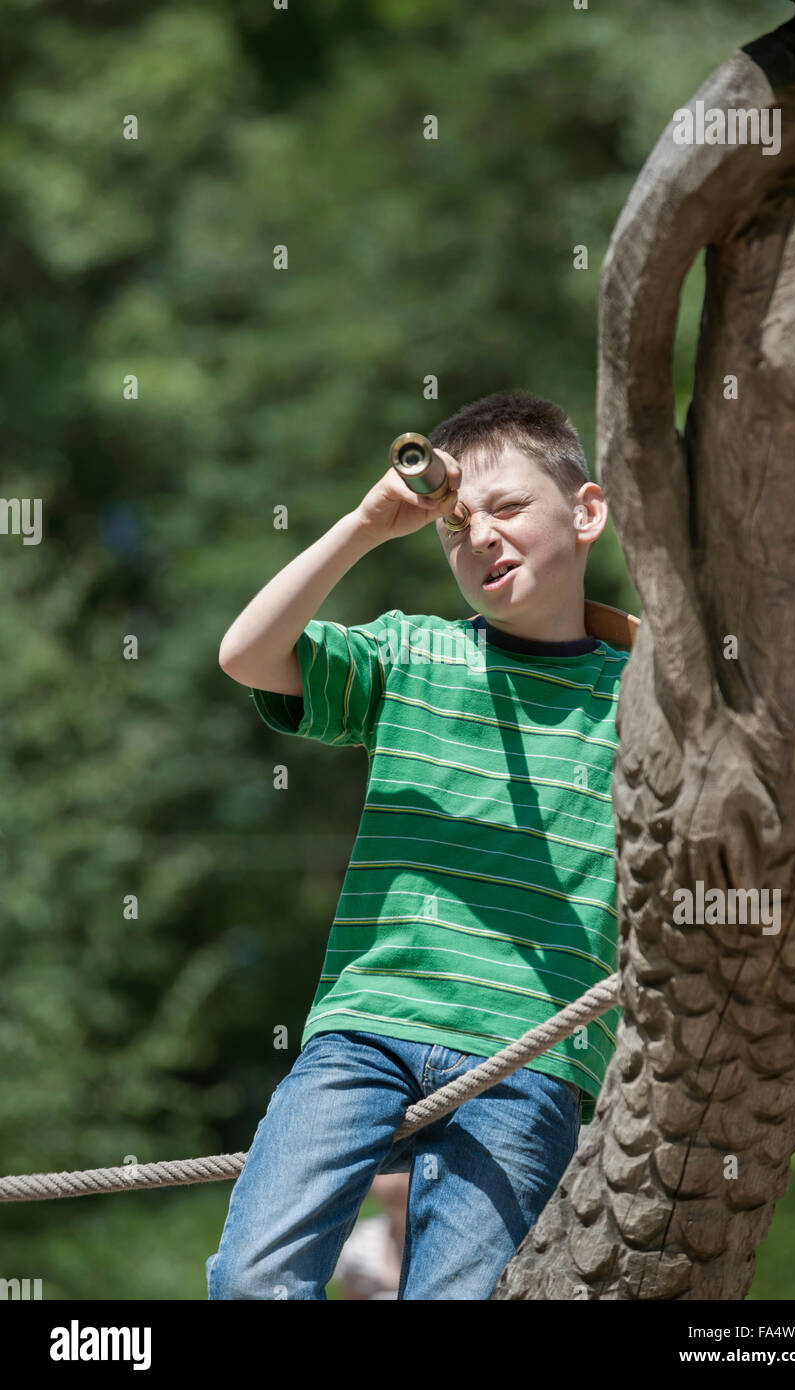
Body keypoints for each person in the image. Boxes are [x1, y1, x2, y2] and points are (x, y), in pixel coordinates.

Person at [206, 388, 630, 1300]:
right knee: (252, 1281)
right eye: (456, 526)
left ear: (587, 510)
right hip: (366, 1032)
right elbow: (246, 655)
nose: (481, 536)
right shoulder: (413, 655)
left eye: (511, 508)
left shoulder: (645, 699)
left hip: (530, 1061)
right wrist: (366, 526)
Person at [332, 1174, 409, 1299]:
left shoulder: (444, 1244)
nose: (392, 1185)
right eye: (385, 1173)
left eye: (404, 1172)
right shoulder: (359, 1244)